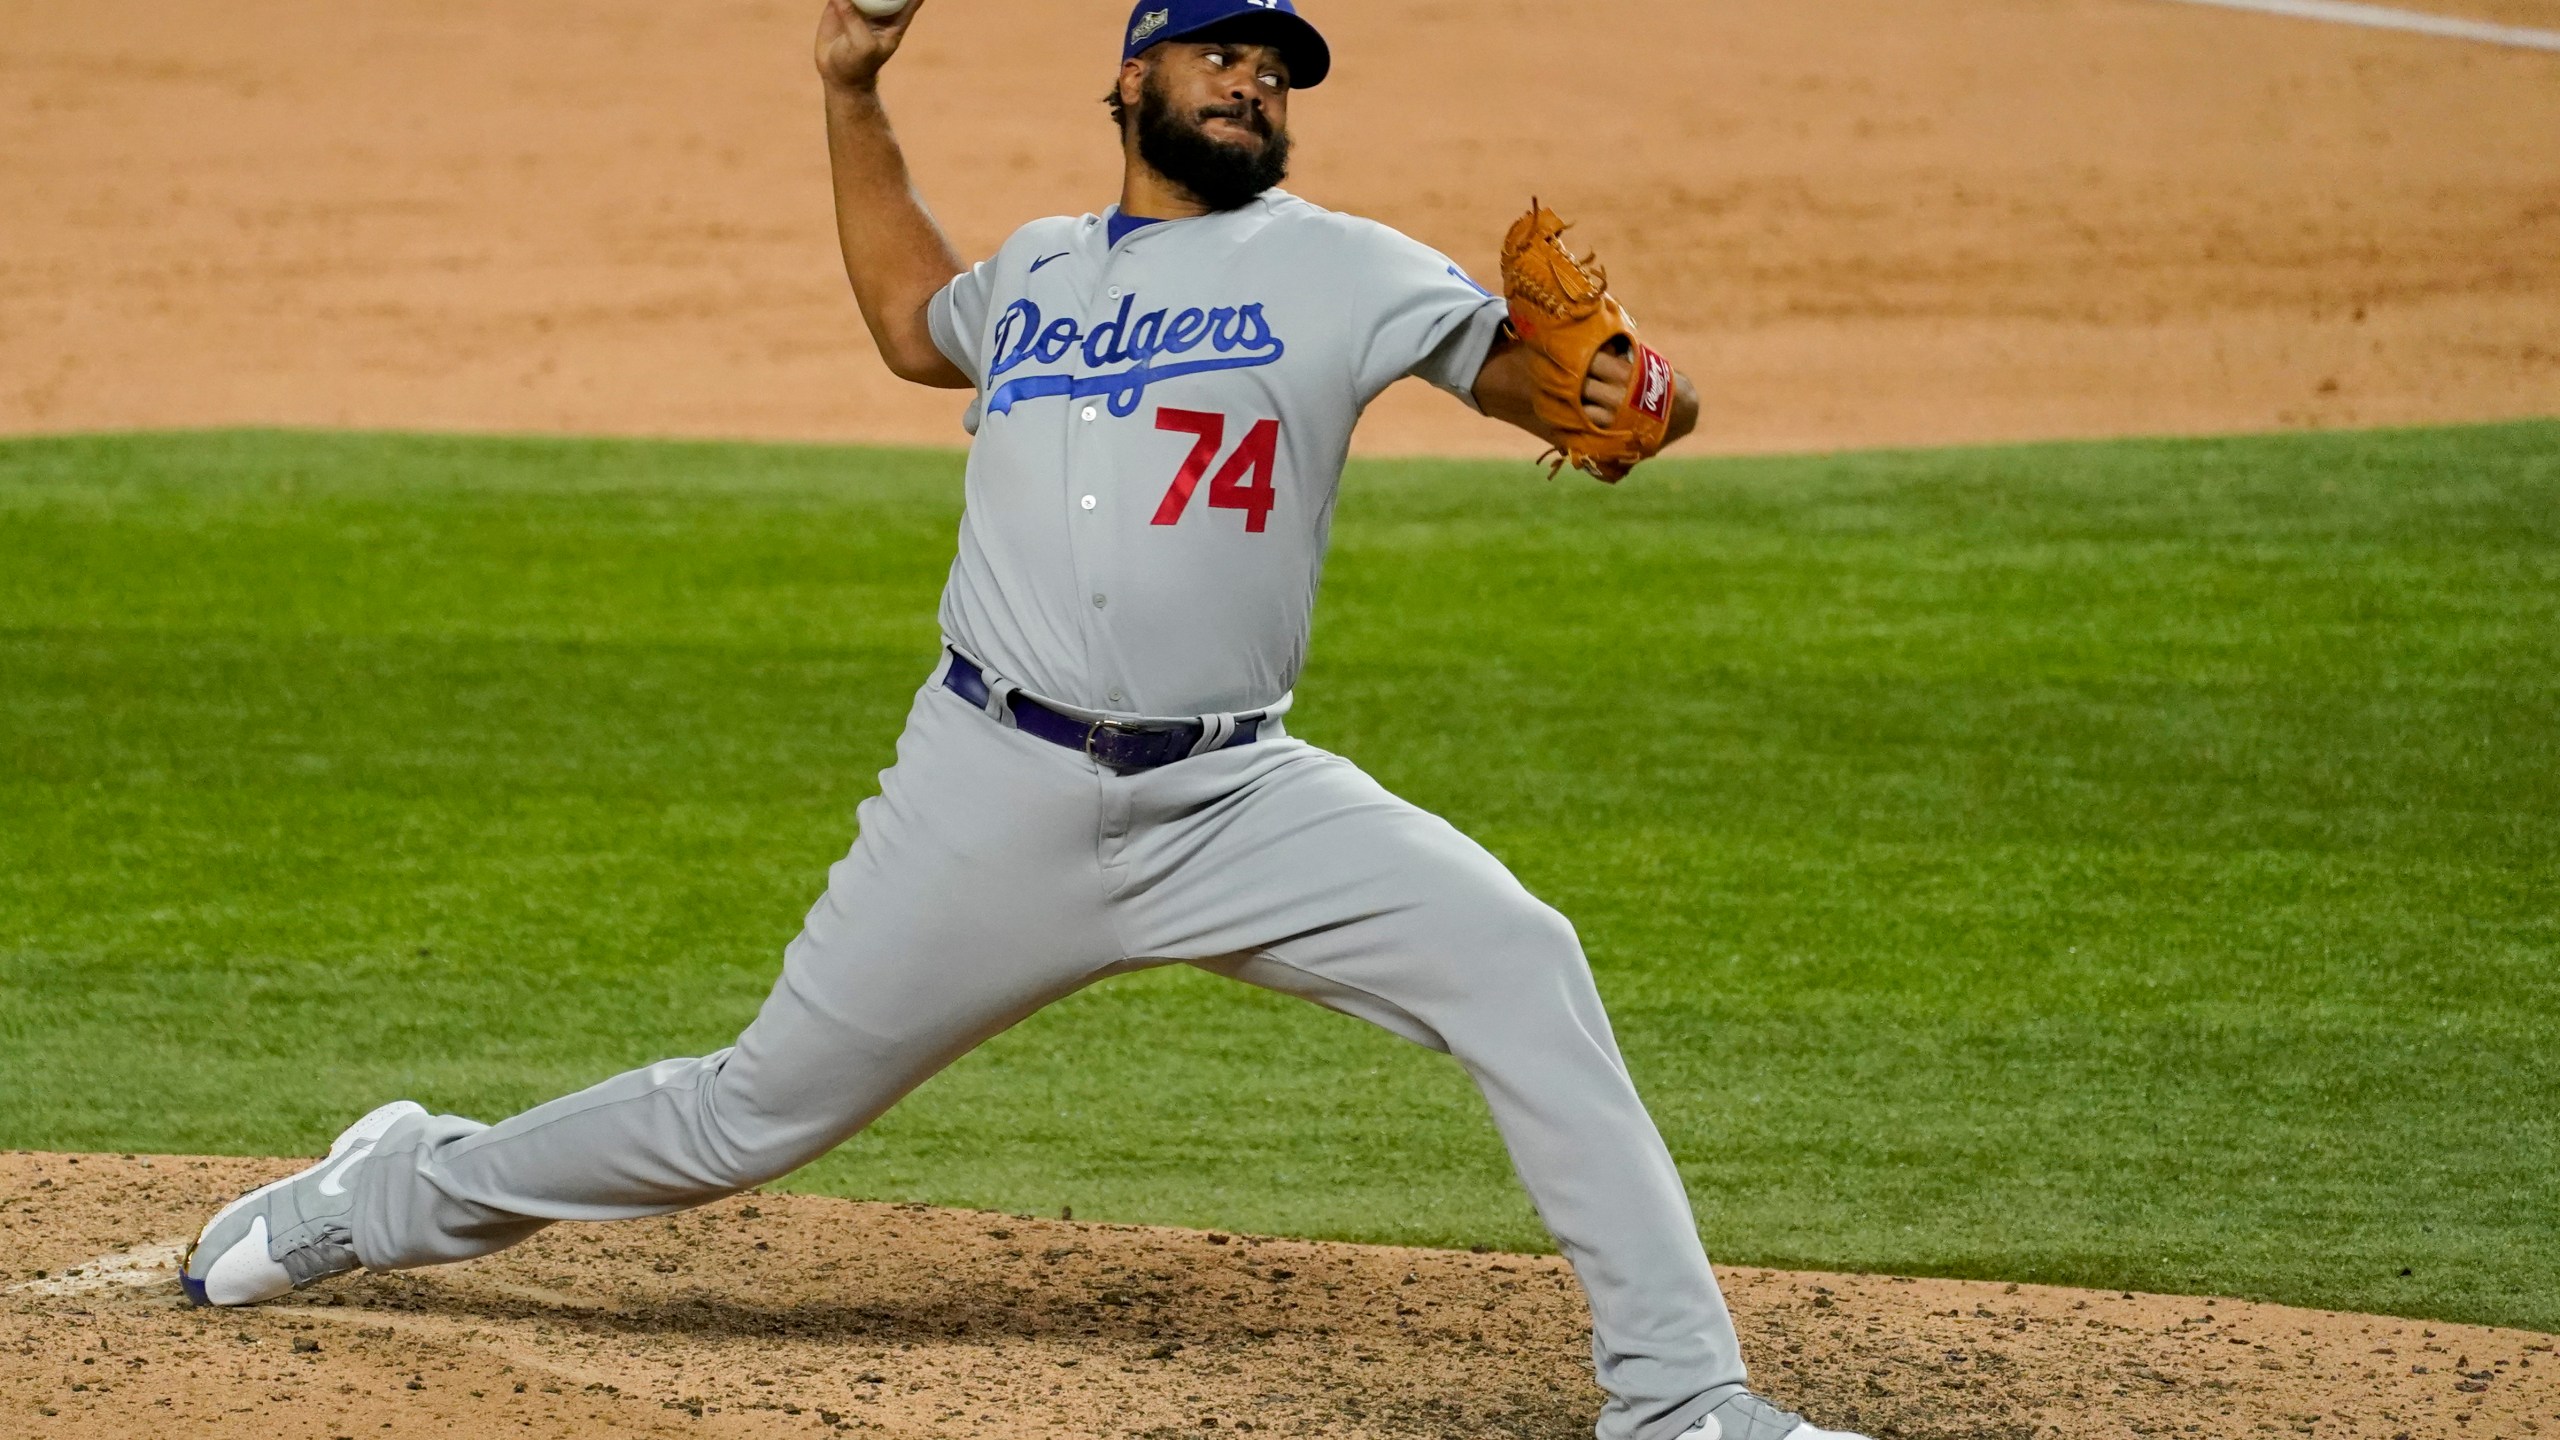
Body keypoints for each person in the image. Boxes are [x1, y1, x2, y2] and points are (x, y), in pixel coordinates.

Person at [182, 4, 1872, 1438]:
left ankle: (1682, 1400)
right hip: (988, 789)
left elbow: (1537, 375)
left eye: (1277, 67)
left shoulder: (1346, 265)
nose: (1253, 85)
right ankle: (379, 1195)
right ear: (1129, 81)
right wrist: (850, 93)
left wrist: (1638, 389)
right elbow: (918, 326)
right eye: (1217, 51)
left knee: (1518, 954)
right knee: (741, 1120)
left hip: (1237, 800)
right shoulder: (1046, 273)